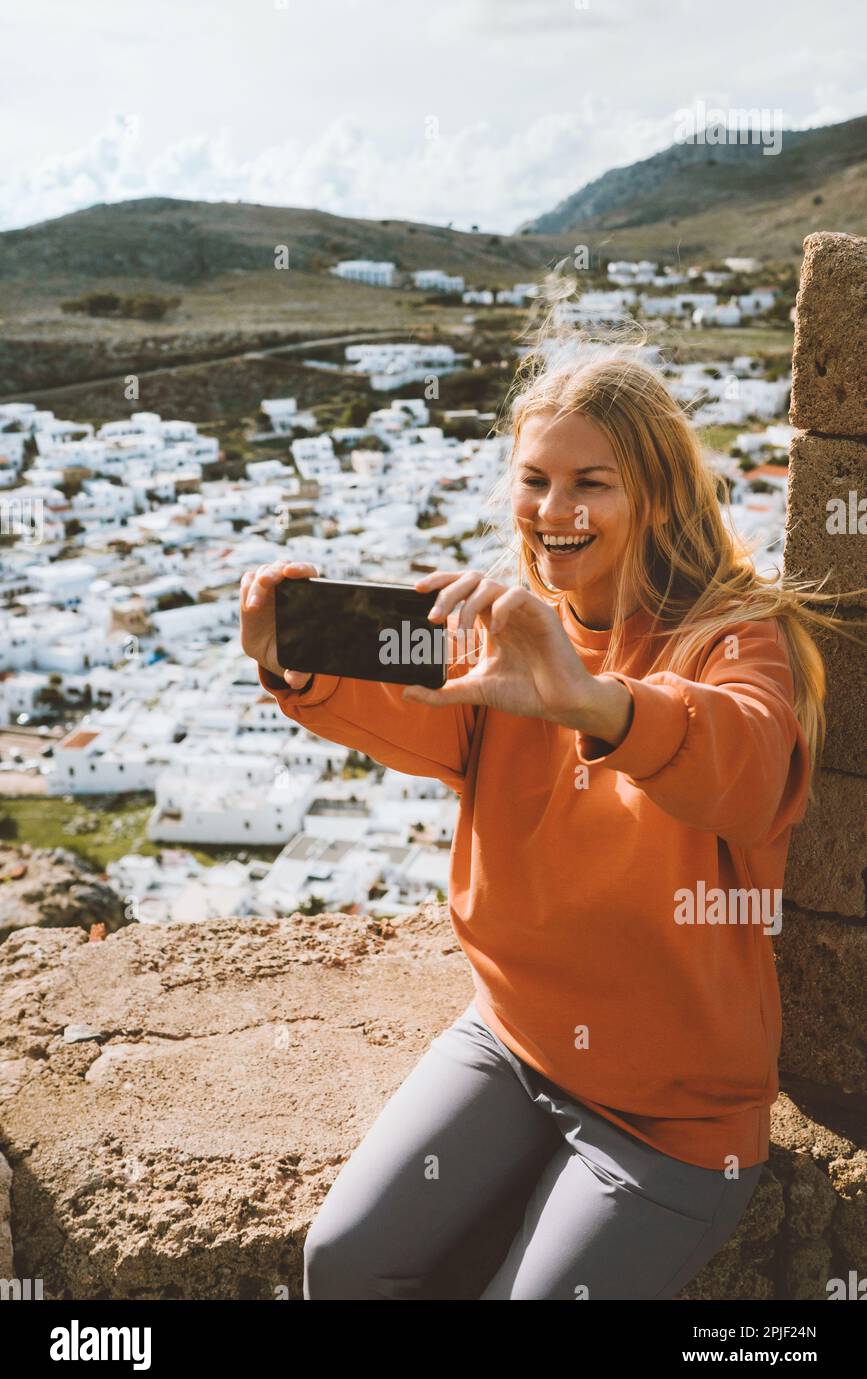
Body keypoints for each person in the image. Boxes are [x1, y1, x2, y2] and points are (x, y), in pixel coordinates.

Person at [238, 339, 864, 1300]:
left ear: (653, 494)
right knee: (345, 1263)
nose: (554, 512)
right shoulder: (515, 631)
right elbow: (416, 707)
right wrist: (298, 663)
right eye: (534, 480)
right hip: (515, 1041)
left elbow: (741, 764)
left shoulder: (732, 638)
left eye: (591, 483)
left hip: (674, 1118)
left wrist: (592, 701)